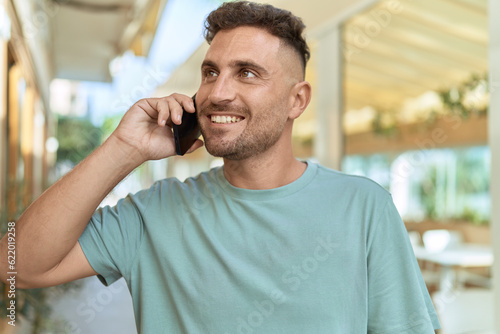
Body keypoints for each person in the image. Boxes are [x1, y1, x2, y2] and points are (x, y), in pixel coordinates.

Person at [1, 1, 440, 333]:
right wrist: (123, 148)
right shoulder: (153, 213)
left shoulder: (364, 207)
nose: (218, 92)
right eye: (211, 72)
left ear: (297, 100)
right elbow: (17, 264)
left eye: (246, 73)